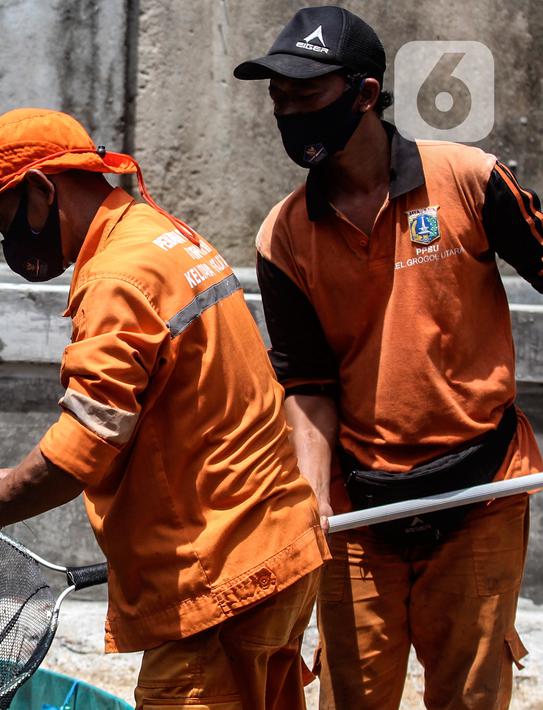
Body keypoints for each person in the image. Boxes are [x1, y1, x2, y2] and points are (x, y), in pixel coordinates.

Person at [0, 107, 326, 709]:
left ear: (42, 190)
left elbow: (81, 447)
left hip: (219, 575)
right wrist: (11, 484)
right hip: (274, 549)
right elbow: (142, 416)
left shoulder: (116, 277)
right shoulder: (161, 235)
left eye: (6, 225)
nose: (11, 244)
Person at [235, 6, 543, 708]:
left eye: (305, 96)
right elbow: (307, 387)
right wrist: (308, 499)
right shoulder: (282, 237)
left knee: (469, 698)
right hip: (358, 507)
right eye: (278, 99)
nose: (287, 113)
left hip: (479, 493)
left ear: (363, 94)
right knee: (350, 697)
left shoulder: (467, 179)